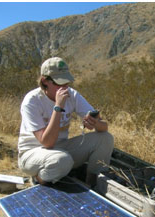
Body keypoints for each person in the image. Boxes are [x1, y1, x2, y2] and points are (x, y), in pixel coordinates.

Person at [18, 57, 114, 187]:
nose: (64, 87)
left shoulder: (72, 95)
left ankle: (93, 183)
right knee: (62, 160)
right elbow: (47, 142)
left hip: (62, 149)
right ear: (45, 81)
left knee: (105, 139)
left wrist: (95, 123)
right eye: (59, 83)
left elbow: (104, 128)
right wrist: (58, 107)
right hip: (33, 153)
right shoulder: (32, 101)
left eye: (66, 82)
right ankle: (39, 178)